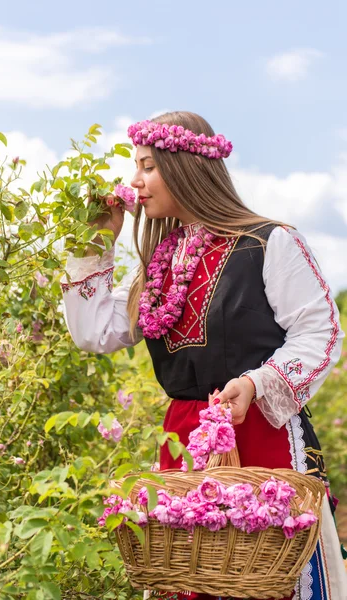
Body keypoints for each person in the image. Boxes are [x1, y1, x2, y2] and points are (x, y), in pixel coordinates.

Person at [60, 112, 346, 600]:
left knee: (264, 580)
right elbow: (95, 333)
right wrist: (95, 243)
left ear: (185, 167)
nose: (135, 181)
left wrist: (256, 384)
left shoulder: (267, 242)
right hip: (184, 446)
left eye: (147, 166)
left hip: (262, 436)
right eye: (137, 167)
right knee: (191, 576)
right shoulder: (159, 266)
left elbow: (320, 329)